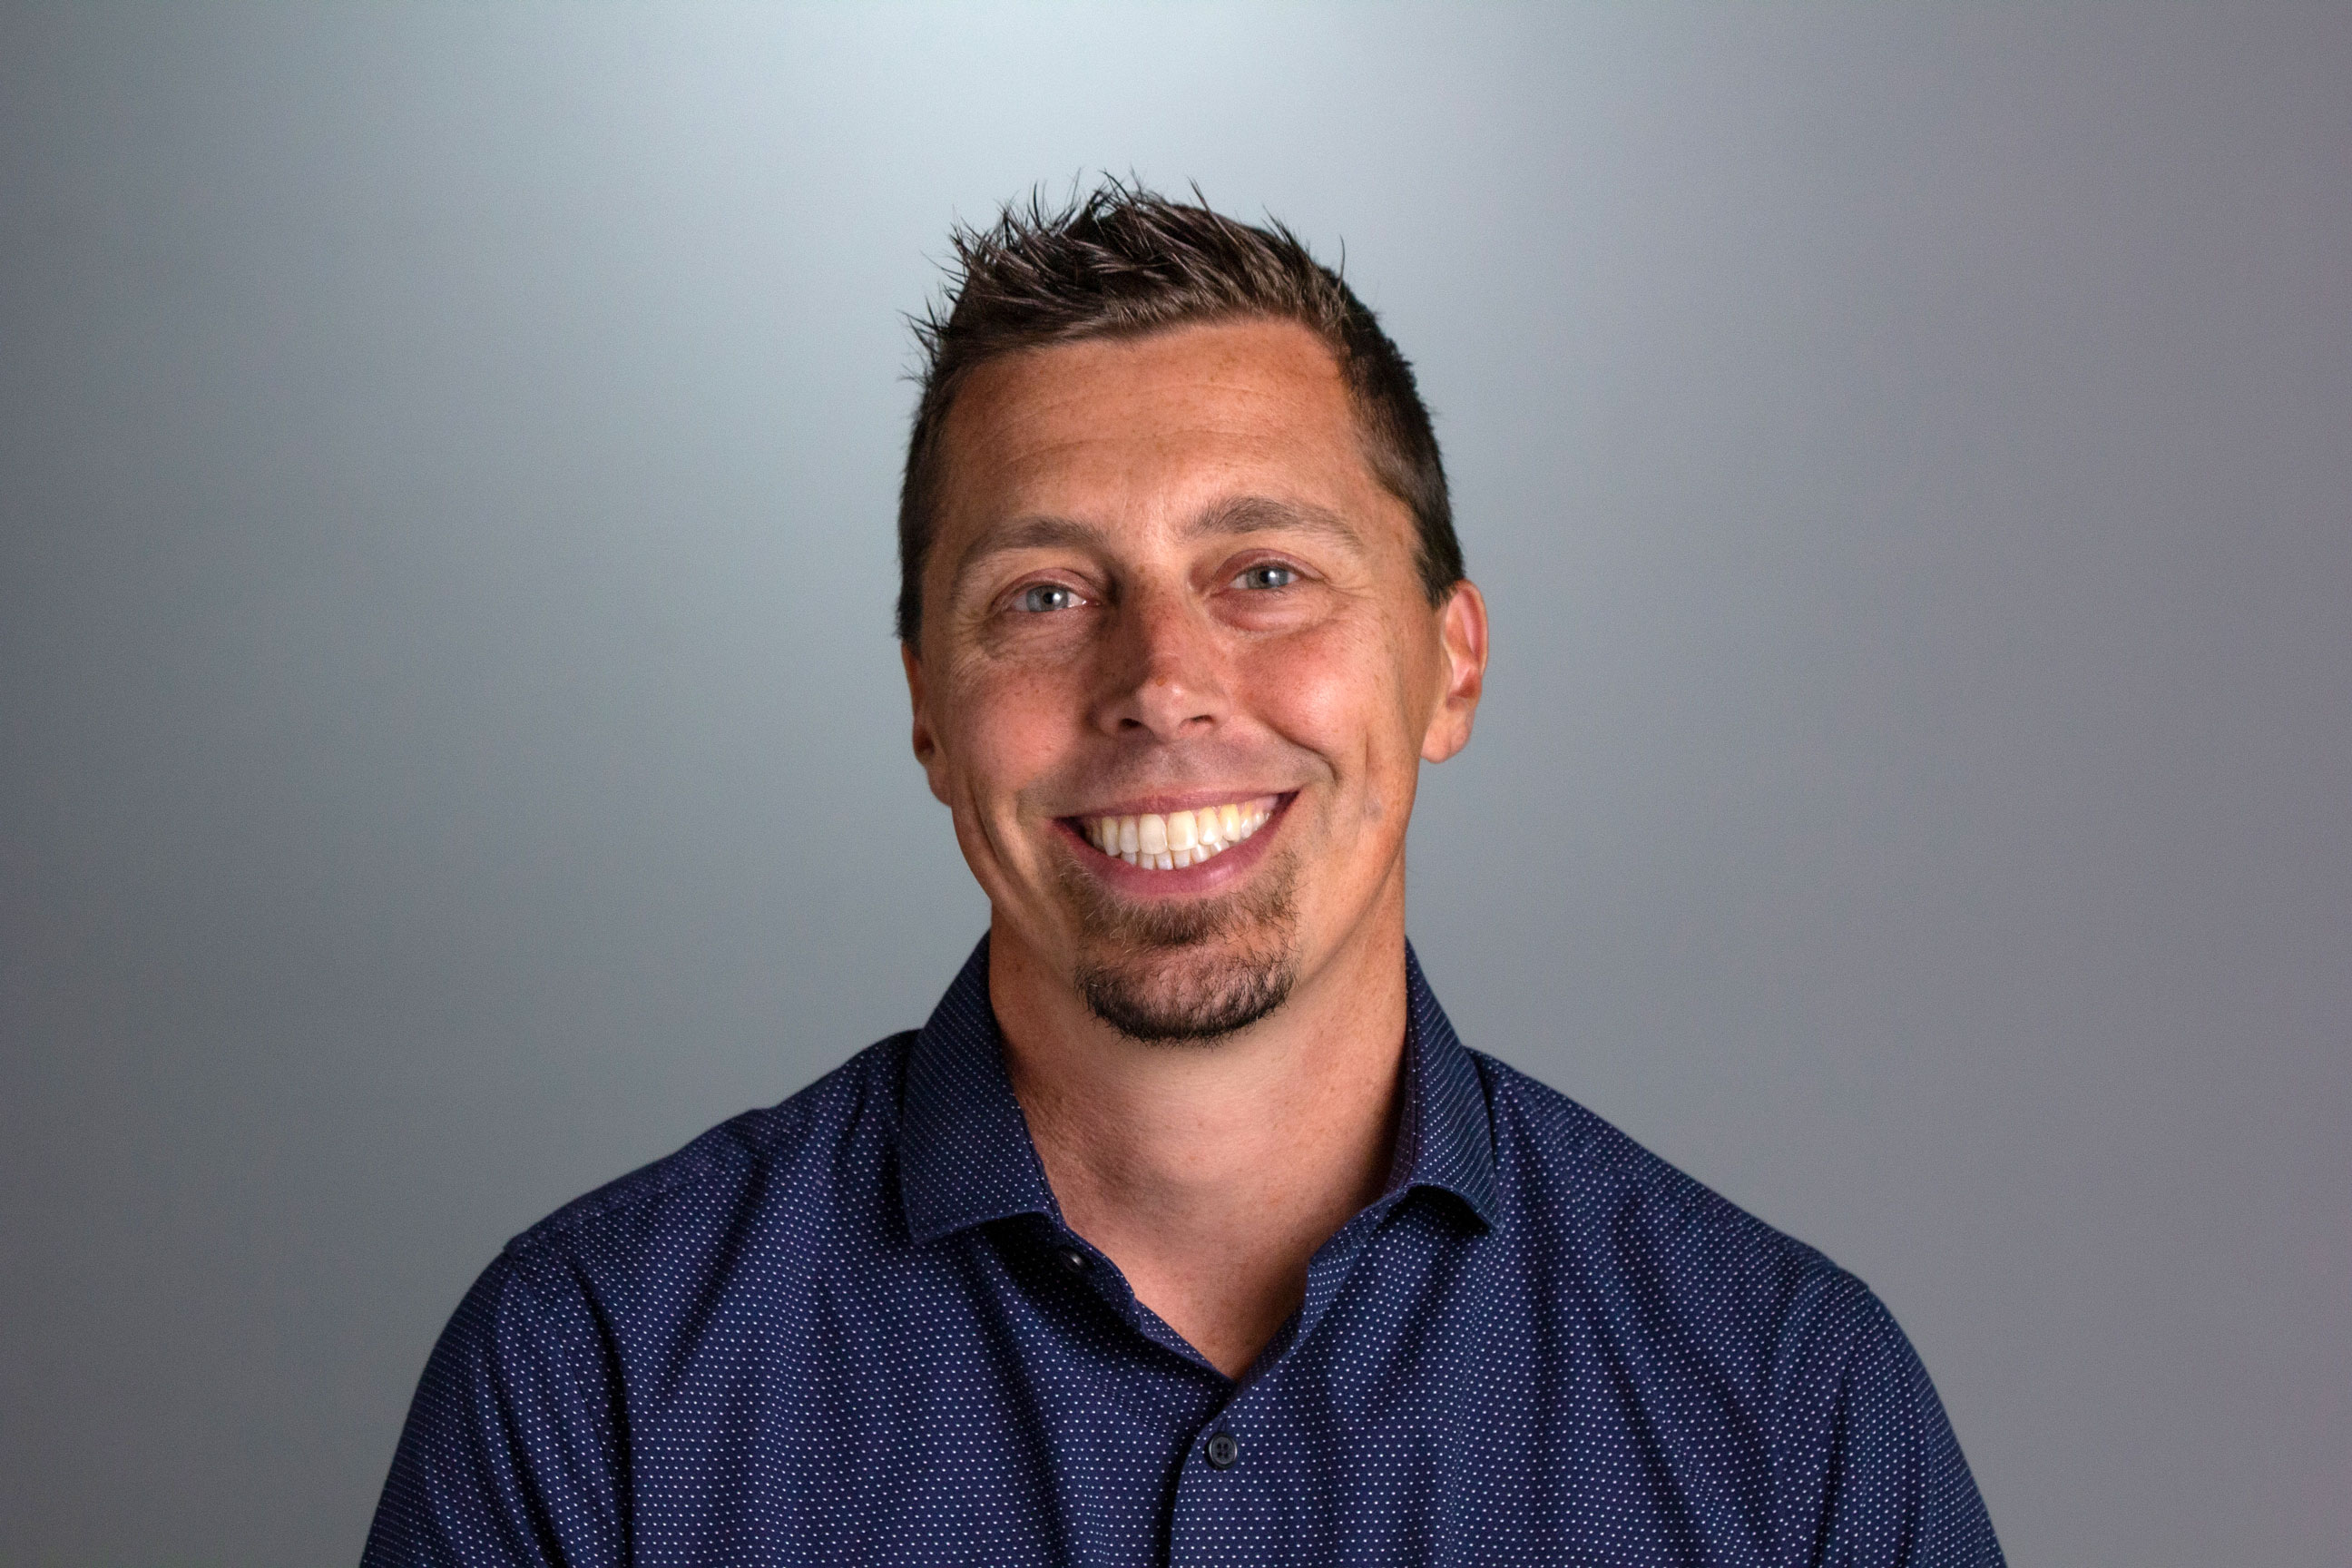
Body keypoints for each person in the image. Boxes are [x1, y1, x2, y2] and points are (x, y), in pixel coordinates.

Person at [362, 181, 2004, 1566]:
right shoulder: (593, 1382)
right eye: (1048, 595)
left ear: (1453, 668)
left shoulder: (1790, 1418)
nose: (1164, 680)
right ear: (929, 711)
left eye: (1267, 572)